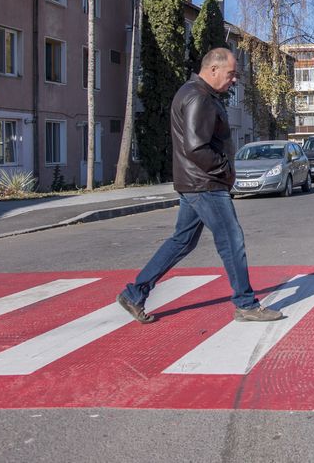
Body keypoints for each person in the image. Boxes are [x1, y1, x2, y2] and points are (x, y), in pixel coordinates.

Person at [117, 47, 283, 324]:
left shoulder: (194, 92)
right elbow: (196, 147)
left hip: (194, 181)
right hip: (206, 184)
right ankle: (246, 303)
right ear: (213, 69)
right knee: (232, 241)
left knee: (182, 240)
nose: (234, 80)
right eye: (231, 74)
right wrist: (225, 170)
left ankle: (135, 293)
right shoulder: (199, 97)